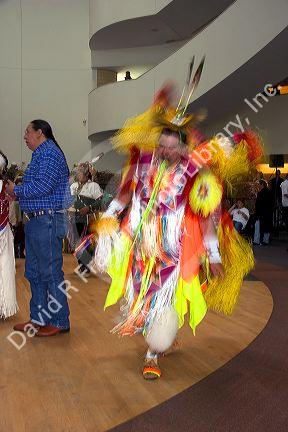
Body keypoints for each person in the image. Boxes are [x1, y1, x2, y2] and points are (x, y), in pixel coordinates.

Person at [94, 81, 259, 380]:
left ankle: (152, 353)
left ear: (184, 147)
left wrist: (213, 253)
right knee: (139, 297)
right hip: (141, 243)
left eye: (174, 148)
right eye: (163, 146)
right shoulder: (142, 161)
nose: (167, 152)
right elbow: (124, 193)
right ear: (157, 145)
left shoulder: (195, 171)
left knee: (164, 296)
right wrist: (109, 218)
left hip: (173, 246)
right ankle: (158, 333)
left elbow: (207, 215)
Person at [6, 119, 72, 336]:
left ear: (40, 133)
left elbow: (43, 186)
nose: (25, 136)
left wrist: (17, 188)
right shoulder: (41, 154)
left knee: (50, 272)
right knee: (34, 272)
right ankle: (38, 319)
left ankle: (60, 321)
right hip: (38, 221)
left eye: (28, 132)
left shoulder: (50, 154)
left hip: (47, 221)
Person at [69, 162, 102, 274]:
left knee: (87, 242)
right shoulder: (73, 187)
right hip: (75, 218)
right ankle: (81, 264)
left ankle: (85, 266)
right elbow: (68, 201)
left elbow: (101, 201)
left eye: (80, 172)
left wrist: (89, 207)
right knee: (76, 242)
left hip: (88, 218)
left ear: (86, 174)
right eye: (77, 172)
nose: (78, 174)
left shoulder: (93, 186)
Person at [0, 151, 18, 319]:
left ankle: (3, 306)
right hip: (3, 229)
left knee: (4, 268)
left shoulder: (6, 185)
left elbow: (10, 208)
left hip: (3, 231)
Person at [254, 180, 273, 245]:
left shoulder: (260, 193)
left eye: (258, 184)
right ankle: (265, 241)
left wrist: (257, 213)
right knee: (266, 227)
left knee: (258, 226)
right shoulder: (269, 192)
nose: (258, 186)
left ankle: (257, 241)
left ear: (262, 185)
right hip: (268, 212)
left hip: (261, 213)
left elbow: (258, 204)